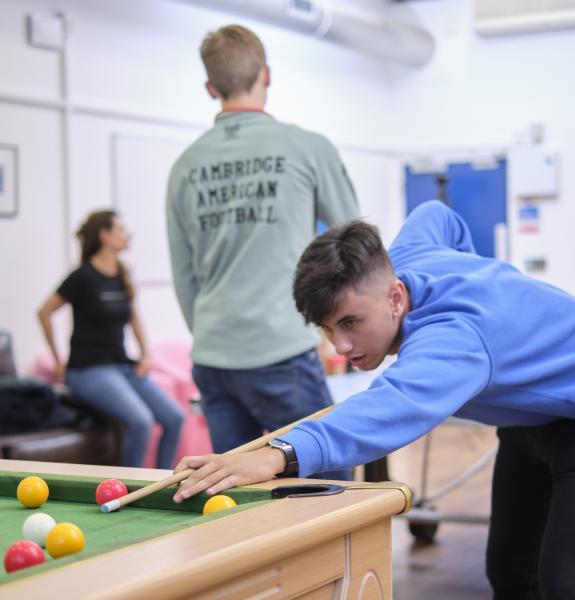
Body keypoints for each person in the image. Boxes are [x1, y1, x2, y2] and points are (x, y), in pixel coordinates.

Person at [172, 200, 575, 599]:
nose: (341, 345)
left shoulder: (455, 337)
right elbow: (437, 214)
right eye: (327, 328)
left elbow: (387, 409)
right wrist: (479, 273)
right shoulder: (404, 257)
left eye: (351, 322)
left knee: (562, 584)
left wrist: (275, 454)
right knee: (510, 572)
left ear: (396, 297)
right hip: (532, 422)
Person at [166, 24, 358, 478]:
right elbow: (354, 242)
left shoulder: (185, 167)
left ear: (210, 87)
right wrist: (342, 329)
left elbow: (184, 274)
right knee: (328, 489)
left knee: (236, 498)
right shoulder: (306, 147)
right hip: (280, 349)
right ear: (266, 74)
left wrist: (215, 334)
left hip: (213, 354)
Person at [37, 210, 185, 468]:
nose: (127, 235)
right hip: (87, 369)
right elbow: (44, 312)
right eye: (121, 230)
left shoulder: (121, 273)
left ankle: (163, 483)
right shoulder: (82, 276)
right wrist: (57, 359)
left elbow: (134, 317)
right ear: (105, 236)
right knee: (141, 421)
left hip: (122, 366)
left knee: (175, 417)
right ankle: (130, 489)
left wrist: (145, 354)